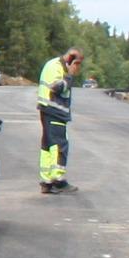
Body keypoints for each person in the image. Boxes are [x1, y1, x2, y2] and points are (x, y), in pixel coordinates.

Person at [36, 45, 82, 192]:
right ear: (70, 59)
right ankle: (58, 180)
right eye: (77, 64)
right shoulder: (56, 67)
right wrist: (69, 76)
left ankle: (46, 181)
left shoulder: (53, 65)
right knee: (59, 146)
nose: (78, 68)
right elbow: (57, 88)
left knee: (48, 146)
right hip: (54, 111)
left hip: (49, 110)